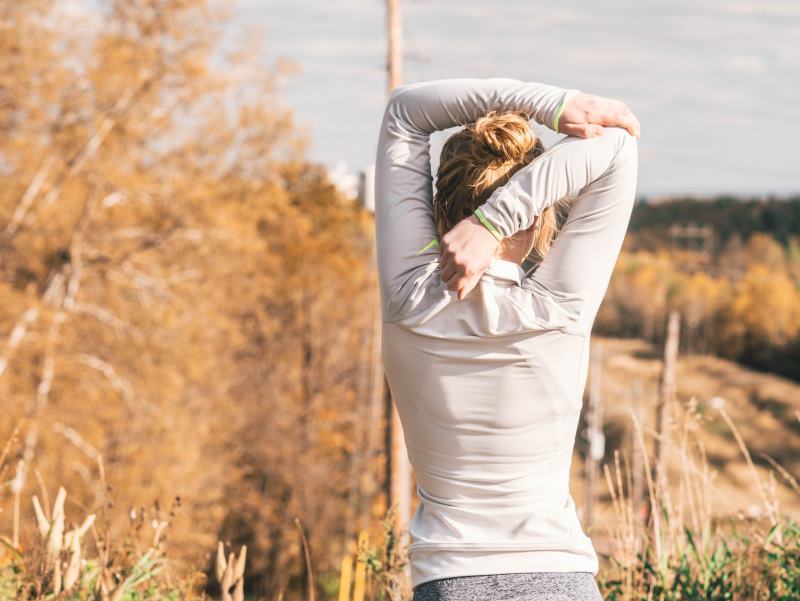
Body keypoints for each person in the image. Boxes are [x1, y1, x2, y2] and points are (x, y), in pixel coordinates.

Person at [373, 78, 640, 601]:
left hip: (450, 583)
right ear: (540, 216)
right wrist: (496, 223)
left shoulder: (408, 302)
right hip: (561, 581)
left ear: (437, 205)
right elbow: (619, 146)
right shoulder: (558, 312)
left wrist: (551, 107)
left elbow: (405, 113)